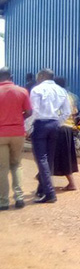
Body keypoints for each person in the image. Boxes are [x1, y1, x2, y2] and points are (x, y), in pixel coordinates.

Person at [29, 68, 71, 203]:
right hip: (54, 124)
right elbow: (66, 112)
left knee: (41, 159)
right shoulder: (61, 91)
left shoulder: (37, 90)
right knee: (49, 158)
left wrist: (27, 128)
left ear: (42, 76)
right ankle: (42, 189)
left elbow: (34, 111)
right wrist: (57, 123)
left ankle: (50, 193)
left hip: (40, 124)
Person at [0, 67, 32, 210]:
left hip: (1, 134)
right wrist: (19, 118)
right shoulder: (22, 91)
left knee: (2, 168)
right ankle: (19, 198)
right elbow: (29, 111)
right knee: (16, 165)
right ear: (11, 76)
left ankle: (4, 202)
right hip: (18, 132)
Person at [51, 77, 78, 191]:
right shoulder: (69, 96)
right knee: (62, 156)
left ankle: (71, 183)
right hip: (68, 128)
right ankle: (43, 178)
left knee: (57, 155)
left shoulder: (57, 96)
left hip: (60, 128)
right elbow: (75, 111)